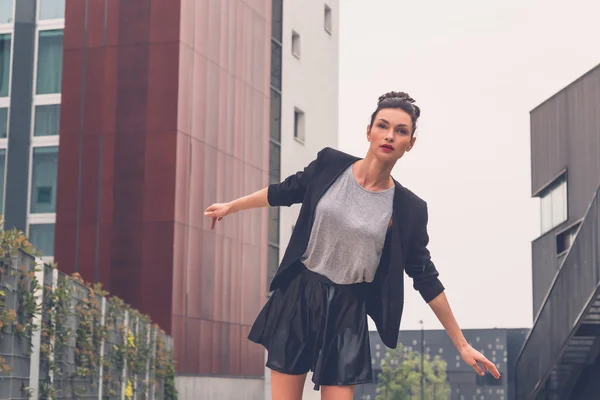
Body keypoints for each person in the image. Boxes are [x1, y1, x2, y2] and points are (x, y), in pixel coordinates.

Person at [204, 91, 500, 400]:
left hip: (348, 309)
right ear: (369, 130)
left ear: (410, 143)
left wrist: (462, 345)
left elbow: (425, 277)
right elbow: (285, 190)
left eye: (401, 131)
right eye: (383, 126)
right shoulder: (330, 165)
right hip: (300, 296)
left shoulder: (409, 208)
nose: (389, 136)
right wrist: (233, 206)